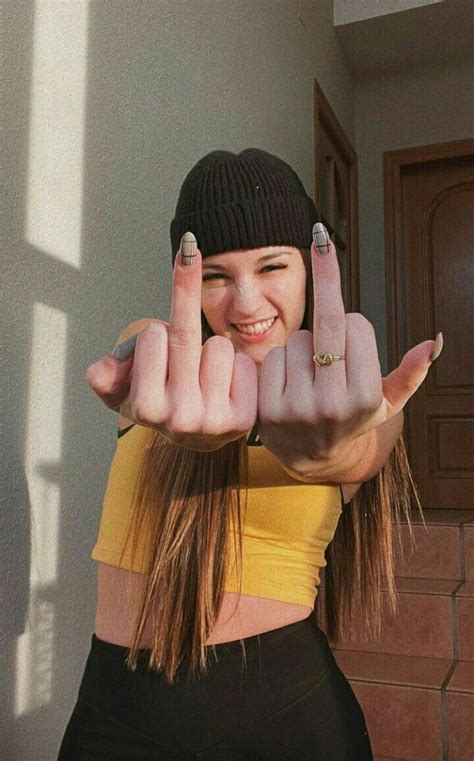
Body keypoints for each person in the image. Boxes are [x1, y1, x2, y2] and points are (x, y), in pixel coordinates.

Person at [57, 148, 442, 760]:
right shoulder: (160, 361)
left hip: (284, 714)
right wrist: (134, 379)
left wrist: (324, 455)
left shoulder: (345, 398)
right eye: (213, 275)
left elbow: (362, 449)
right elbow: (139, 350)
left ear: (311, 272)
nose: (245, 305)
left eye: (272, 266)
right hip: (115, 710)